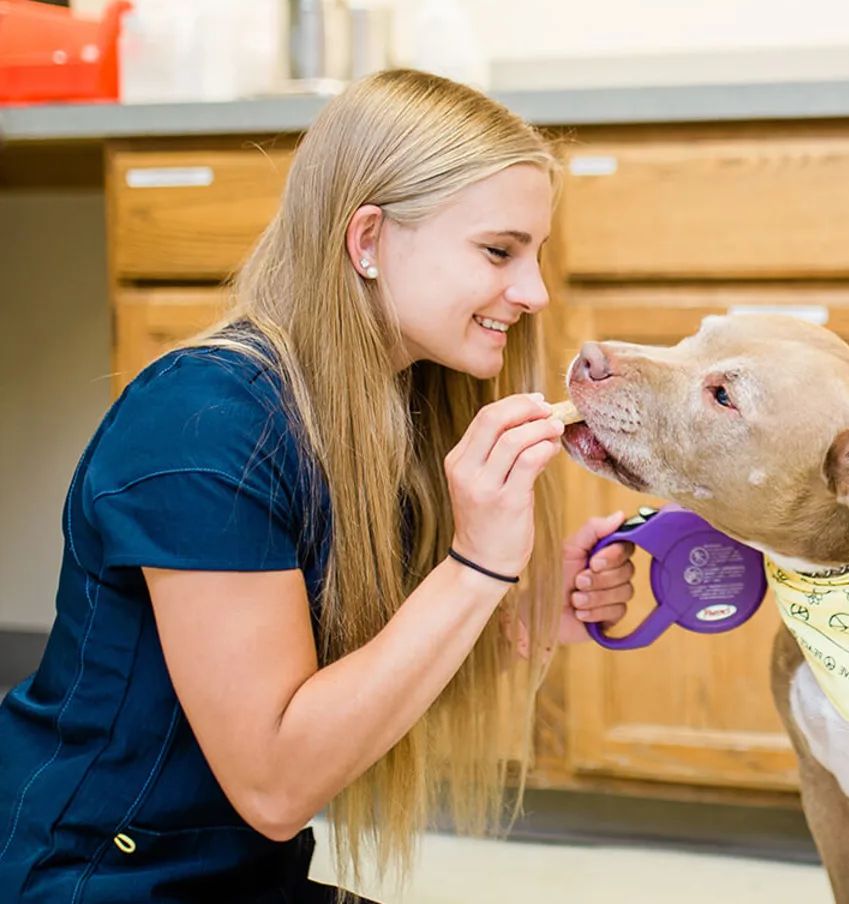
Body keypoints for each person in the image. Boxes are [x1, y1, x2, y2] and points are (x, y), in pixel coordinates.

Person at [0, 68, 637, 902]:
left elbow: (352, 690)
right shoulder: (206, 424)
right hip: (90, 878)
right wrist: (474, 568)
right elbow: (275, 785)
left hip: (234, 873)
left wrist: (515, 613)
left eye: (537, 254)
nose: (534, 293)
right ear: (366, 239)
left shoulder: (393, 408)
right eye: (498, 250)